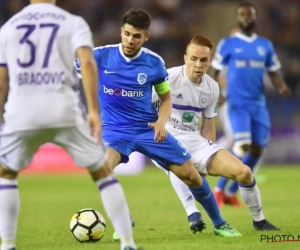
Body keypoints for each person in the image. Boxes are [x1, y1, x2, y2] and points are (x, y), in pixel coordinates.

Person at [74, 8, 241, 240]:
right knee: (102, 169)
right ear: (121, 32)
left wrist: (162, 122)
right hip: (115, 130)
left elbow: (165, 99)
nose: (130, 40)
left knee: (192, 176)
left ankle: (220, 223)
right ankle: (124, 219)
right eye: (127, 34)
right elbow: (72, 69)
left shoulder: (154, 63)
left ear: (146, 37)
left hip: (148, 129)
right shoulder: (100, 56)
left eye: (137, 36)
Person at [0, 1, 139, 250]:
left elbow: (1, 78)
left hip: (22, 111)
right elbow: (87, 64)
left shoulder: (9, 27)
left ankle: (7, 245)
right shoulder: (73, 22)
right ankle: (128, 243)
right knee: (102, 173)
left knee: (6, 174)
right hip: (62, 109)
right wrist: (94, 111)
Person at [152, 34, 280, 233]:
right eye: (193, 58)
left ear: (210, 61)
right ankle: (193, 214)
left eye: (203, 60)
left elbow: (208, 124)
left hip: (194, 141)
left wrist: (208, 151)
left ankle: (259, 221)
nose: (198, 64)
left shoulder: (211, 87)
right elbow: (143, 107)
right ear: (185, 58)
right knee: (180, 162)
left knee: (244, 172)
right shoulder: (167, 78)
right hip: (163, 140)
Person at [211, 1, 291, 207]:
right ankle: (218, 189)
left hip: (259, 105)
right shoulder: (227, 44)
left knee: (257, 150)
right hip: (237, 104)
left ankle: (230, 191)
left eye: (250, 14)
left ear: (255, 17)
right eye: (243, 14)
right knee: (242, 144)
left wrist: (282, 86)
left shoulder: (265, 45)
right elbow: (216, 71)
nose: (247, 17)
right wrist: (217, 93)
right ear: (238, 17)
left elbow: (273, 71)